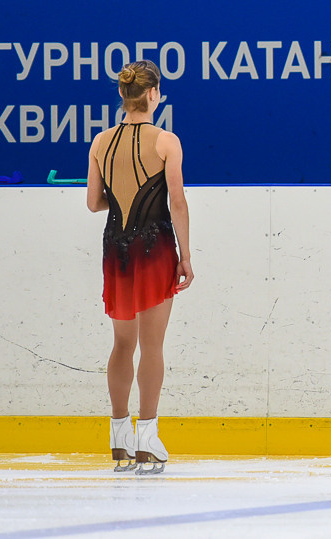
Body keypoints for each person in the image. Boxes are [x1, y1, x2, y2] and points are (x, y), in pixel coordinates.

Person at [87, 60, 193, 474]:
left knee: (122, 344)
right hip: (155, 247)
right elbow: (177, 202)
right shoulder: (167, 141)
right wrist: (186, 255)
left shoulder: (100, 143)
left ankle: (119, 438)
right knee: (152, 346)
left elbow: (94, 203)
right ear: (153, 94)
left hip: (116, 249)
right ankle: (147, 436)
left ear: (123, 96)